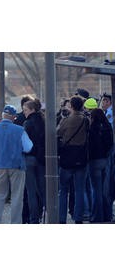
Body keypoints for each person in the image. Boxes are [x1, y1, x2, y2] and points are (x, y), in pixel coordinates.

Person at [0, 105, 33, 224]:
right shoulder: (19, 130)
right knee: (17, 197)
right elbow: (28, 148)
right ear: (13, 116)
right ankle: (15, 223)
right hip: (17, 166)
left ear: (3, 115)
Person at [57, 95, 89, 224]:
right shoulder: (86, 120)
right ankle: (78, 218)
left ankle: (62, 218)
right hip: (81, 157)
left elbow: (57, 132)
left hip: (67, 158)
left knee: (63, 190)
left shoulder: (66, 120)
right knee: (80, 189)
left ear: (71, 106)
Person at [87, 108, 113, 222]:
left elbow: (90, 146)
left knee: (96, 190)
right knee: (105, 189)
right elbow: (110, 144)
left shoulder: (92, 128)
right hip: (105, 161)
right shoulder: (108, 127)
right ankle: (108, 214)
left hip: (94, 161)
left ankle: (97, 216)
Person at [22, 100, 46, 223]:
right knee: (43, 189)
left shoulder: (27, 123)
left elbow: (25, 143)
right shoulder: (44, 120)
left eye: (25, 110)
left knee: (31, 191)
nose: (24, 112)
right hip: (42, 159)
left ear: (32, 110)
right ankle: (46, 215)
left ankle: (34, 218)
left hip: (30, 158)